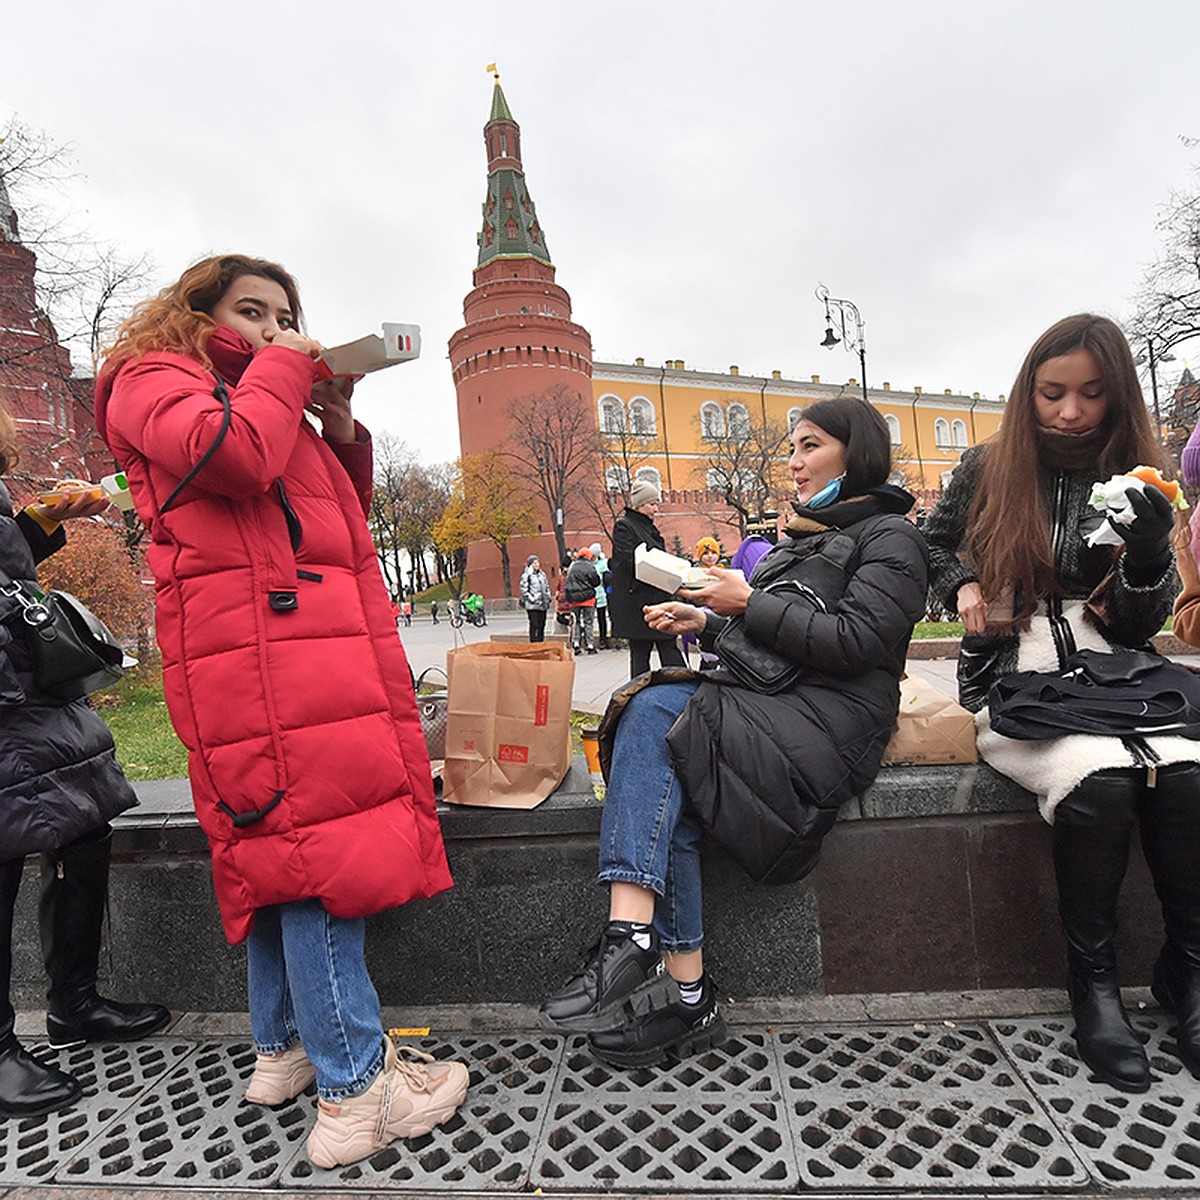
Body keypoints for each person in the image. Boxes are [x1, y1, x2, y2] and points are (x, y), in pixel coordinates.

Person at [95, 255, 467, 1165]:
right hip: (264, 659)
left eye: (284, 315)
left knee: (279, 850)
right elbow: (234, 458)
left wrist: (337, 423)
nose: (273, 329)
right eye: (250, 311)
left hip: (291, 650)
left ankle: (284, 1050)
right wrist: (288, 369)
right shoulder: (154, 380)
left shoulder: (256, 396)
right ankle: (357, 1093)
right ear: (194, 315)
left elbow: (331, 524)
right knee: (318, 853)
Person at [540, 398, 927, 1066]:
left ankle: (631, 937)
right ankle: (690, 999)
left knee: (658, 709)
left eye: (809, 446)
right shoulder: (806, 536)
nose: (794, 463)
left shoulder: (891, 538)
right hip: (783, 701)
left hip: (834, 721)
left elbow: (859, 642)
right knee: (674, 767)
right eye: (794, 449)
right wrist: (709, 625)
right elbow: (781, 642)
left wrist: (747, 601)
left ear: (854, 452)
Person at [924, 313, 1198, 1094]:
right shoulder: (988, 465)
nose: (1070, 412)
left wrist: (1148, 555)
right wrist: (964, 584)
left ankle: (1187, 972)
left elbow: (1149, 622)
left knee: (1186, 772)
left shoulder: (1141, 475)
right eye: (1052, 393)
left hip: (1121, 675)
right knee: (1102, 781)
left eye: (1090, 395)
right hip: (1020, 670)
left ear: (1117, 399)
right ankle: (1096, 987)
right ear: (1028, 392)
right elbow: (931, 547)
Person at [0, 445, 171, 1117]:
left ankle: (74, 1003)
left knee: (83, 827)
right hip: (11, 687)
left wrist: (38, 524)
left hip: (24, 682)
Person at [609, 480, 687, 677]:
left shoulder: (646, 527)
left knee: (667, 646)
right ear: (639, 505)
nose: (656, 508)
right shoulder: (625, 527)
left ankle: (680, 686)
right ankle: (639, 694)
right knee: (643, 652)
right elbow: (628, 560)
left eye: (656, 503)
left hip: (655, 598)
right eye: (652, 504)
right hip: (639, 603)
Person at [564, 548, 600, 654]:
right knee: (588, 621)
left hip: (574, 600)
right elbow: (596, 581)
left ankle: (576, 643)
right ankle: (589, 644)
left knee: (576, 622)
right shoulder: (590, 566)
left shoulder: (572, 566)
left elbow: (567, 582)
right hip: (588, 598)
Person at [519, 554, 552, 642]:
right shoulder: (526, 575)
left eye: (538, 562)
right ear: (530, 564)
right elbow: (524, 590)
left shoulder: (542, 574)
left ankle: (541, 642)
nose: (537, 565)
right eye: (534, 563)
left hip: (543, 604)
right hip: (533, 605)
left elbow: (547, 586)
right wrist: (532, 599)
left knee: (542, 625)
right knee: (534, 625)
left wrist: (548, 596)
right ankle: (534, 643)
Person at [589, 542, 612, 649]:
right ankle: (589, 640)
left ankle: (603, 639)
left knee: (602, 618)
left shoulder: (604, 563)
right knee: (588, 619)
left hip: (601, 594)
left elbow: (608, 578)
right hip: (590, 594)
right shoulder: (589, 564)